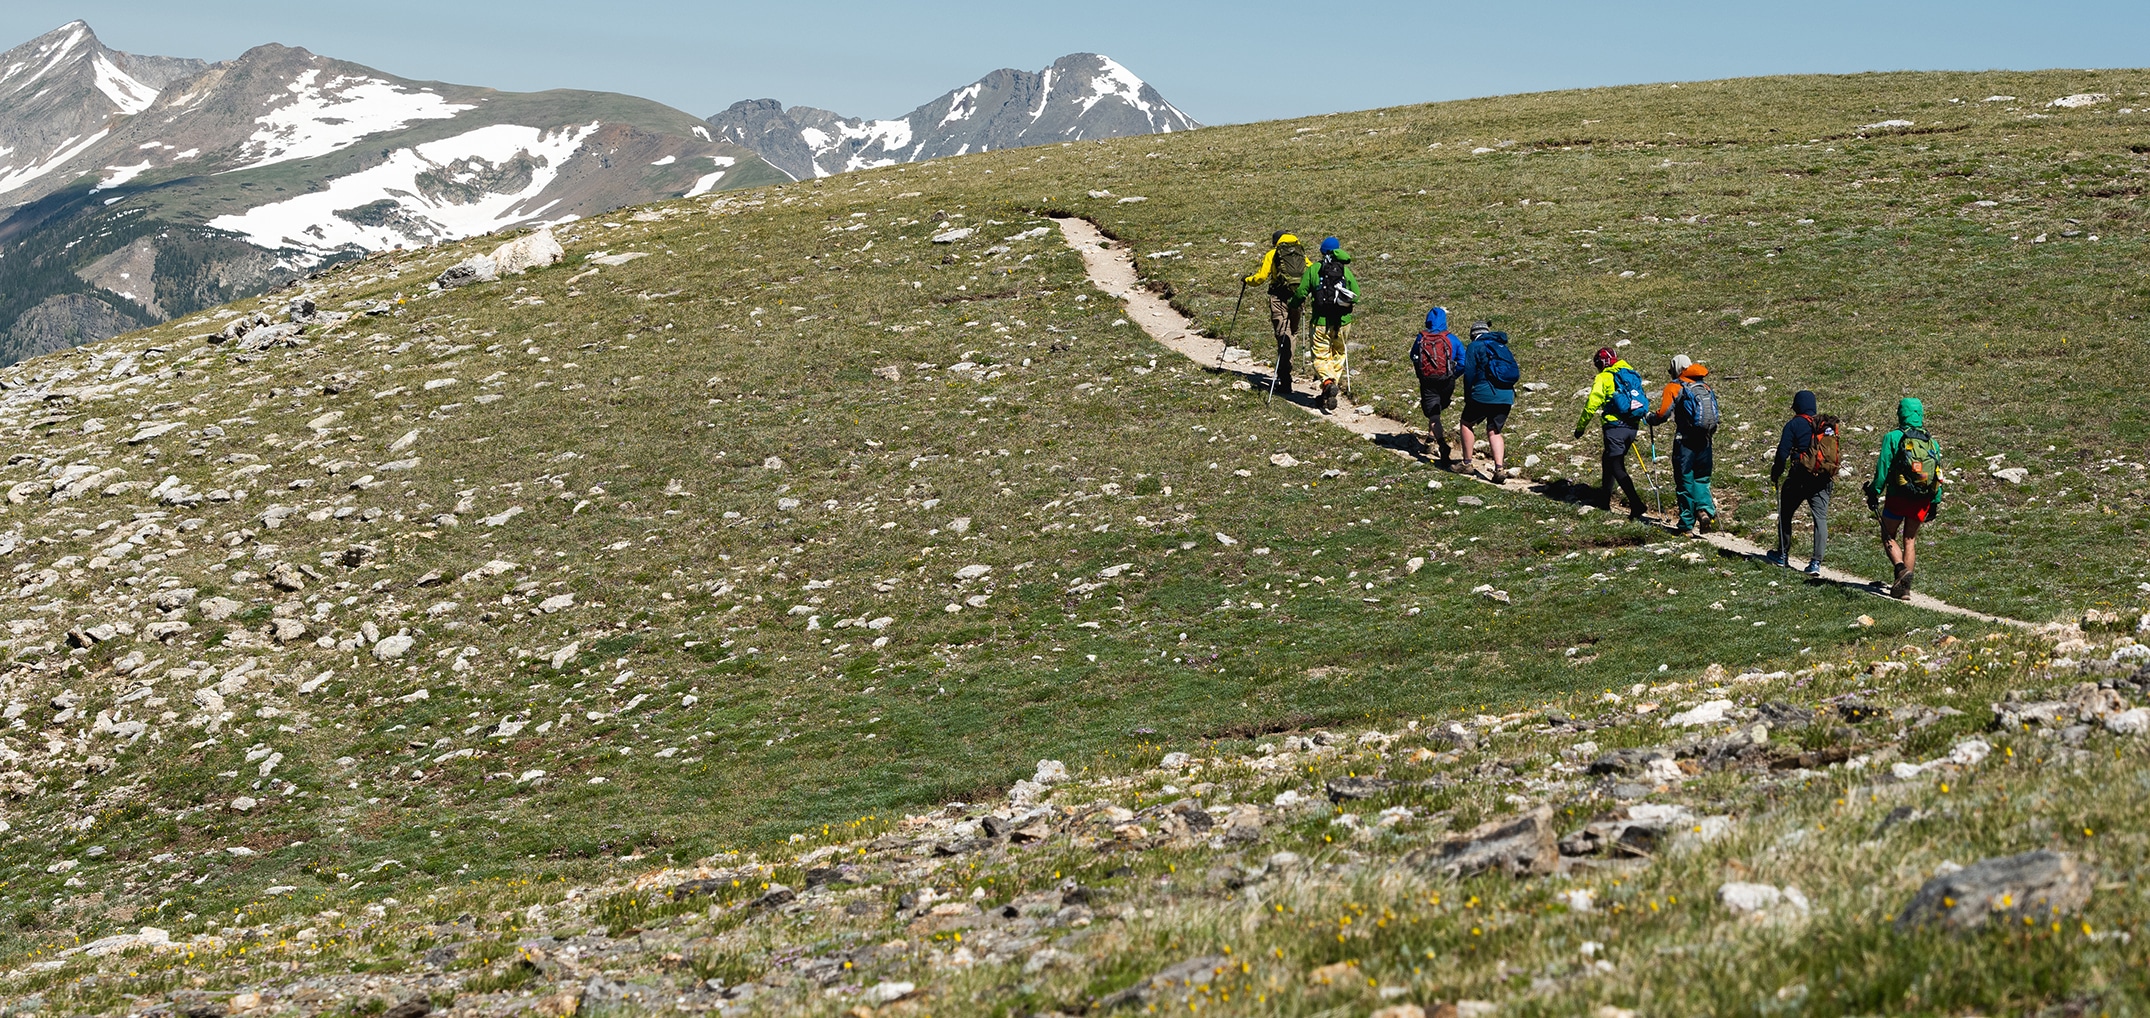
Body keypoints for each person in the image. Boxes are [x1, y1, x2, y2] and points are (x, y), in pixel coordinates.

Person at [1865, 397, 1944, 598]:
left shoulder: (1892, 438)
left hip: (1898, 496)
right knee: (1910, 539)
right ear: (1920, 414)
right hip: (1922, 499)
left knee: (1888, 535)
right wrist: (1935, 501)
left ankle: (1901, 569)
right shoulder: (1931, 442)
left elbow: (1882, 470)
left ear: (1901, 413)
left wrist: (1874, 491)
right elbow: (1937, 473)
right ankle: (1904, 589)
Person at [1646, 354, 1719, 536]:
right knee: (1702, 479)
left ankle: (1687, 525)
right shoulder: (1704, 386)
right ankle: (1704, 511)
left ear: (1676, 369)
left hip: (1685, 442)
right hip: (1705, 440)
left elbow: (1663, 414)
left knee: (1684, 481)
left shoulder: (1675, 387)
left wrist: (1650, 419)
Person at [1767, 390, 1838, 575]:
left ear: (1797, 405)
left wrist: (1776, 473)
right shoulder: (1824, 426)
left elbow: (1782, 453)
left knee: (1786, 513)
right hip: (1822, 479)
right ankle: (1816, 563)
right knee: (1820, 519)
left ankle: (1782, 554)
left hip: (1799, 477)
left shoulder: (1794, 424)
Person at [1573, 348, 1648, 519]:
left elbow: (1592, 403)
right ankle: (1604, 500)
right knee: (1608, 459)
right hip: (1632, 426)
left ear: (1602, 363)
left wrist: (1581, 427)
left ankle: (1636, 504)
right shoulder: (1630, 372)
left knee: (1616, 465)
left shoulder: (1604, 377)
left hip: (1614, 427)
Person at [1297, 236, 1359, 413]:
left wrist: (1294, 304)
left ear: (1322, 251)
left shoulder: (1315, 269)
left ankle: (1327, 382)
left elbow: (1301, 292)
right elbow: (1357, 294)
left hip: (1320, 322)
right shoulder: (1345, 271)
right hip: (1343, 322)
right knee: (1339, 353)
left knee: (1321, 355)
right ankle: (1329, 390)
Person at [1242, 232, 1308, 389]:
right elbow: (1310, 271)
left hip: (1278, 297)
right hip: (1297, 297)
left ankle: (1285, 375)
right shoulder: (1300, 253)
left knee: (1282, 334)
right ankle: (1287, 369)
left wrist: (1246, 280)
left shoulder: (1273, 254)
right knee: (1292, 333)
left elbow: (1260, 278)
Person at [1458, 321, 1517, 478]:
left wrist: (1467, 395)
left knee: (1466, 423)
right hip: (1506, 396)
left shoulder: (1474, 346)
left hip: (1483, 394)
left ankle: (1467, 463)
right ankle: (1499, 469)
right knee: (1494, 431)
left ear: (1473, 335)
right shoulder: (1502, 347)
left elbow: (1469, 373)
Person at [1409, 306, 1465, 465]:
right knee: (1437, 409)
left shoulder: (1421, 338)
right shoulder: (1452, 339)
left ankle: (1442, 445)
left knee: (1434, 415)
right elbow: (1463, 362)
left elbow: (1413, 356)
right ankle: (1430, 439)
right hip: (1447, 381)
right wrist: (1453, 375)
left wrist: (1421, 373)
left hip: (1428, 381)